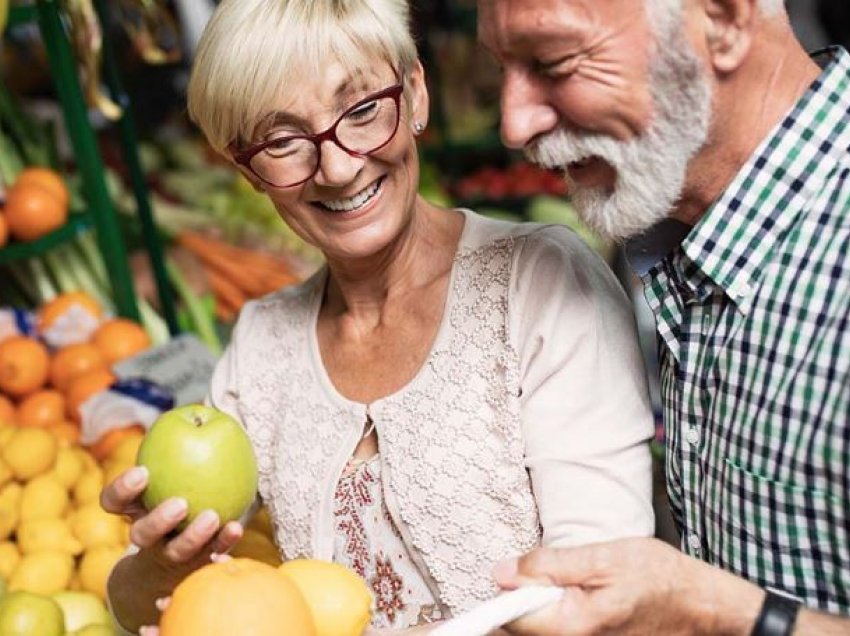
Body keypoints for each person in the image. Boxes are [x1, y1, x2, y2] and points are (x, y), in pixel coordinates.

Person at [101, 0, 657, 633]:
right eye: (283, 141)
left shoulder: (538, 285)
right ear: (246, 169)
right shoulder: (263, 347)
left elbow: (605, 593)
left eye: (362, 111)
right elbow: (143, 607)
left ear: (415, 93)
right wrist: (164, 564)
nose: (338, 169)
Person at [477, 0, 850, 633]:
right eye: (505, 68)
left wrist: (706, 610)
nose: (513, 124)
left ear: (725, 22)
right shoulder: (683, 227)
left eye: (556, 62)